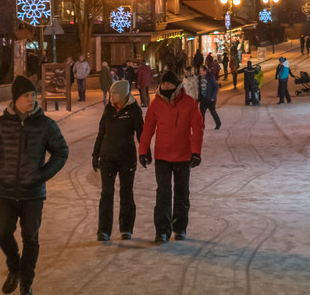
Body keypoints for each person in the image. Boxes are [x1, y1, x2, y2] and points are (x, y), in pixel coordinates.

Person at [0, 75, 70, 295]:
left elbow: (61, 151)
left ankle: (26, 285)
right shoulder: (0, 124)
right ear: (16, 98)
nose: (31, 99)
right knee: (2, 232)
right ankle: (14, 266)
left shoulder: (45, 124)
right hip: (6, 191)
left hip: (32, 193)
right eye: (26, 95)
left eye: (33, 95)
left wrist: (41, 176)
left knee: (31, 238)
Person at [138, 71, 204, 242]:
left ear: (177, 85)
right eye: (163, 83)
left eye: (169, 83)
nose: (166, 86)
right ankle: (162, 230)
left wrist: (196, 152)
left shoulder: (189, 103)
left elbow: (197, 128)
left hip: (183, 156)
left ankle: (180, 227)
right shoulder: (156, 104)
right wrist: (143, 150)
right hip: (162, 156)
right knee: (163, 194)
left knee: (182, 194)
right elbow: (148, 129)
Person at [92, 79, 144, 242]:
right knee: (106, 194)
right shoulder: (108, 109)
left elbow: (141, 135)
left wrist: (144, 153)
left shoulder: (134, 110)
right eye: (111, 93)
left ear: (122, 95)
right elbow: (101, 132)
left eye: (114, 93)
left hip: (126, 157)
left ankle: (126, 228)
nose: (111, 96)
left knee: (126, 193)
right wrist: (95, 154)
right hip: (107, 157)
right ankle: (104, 230)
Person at [199, 64, 221, 130]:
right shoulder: (200, 78)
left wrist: (213, 97)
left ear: (205, 71)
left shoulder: (210, 77)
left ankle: (218, 123)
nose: (200, 72)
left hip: (210, 99)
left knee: (213, 112)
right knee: (201, 113)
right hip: (203, 98)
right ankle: (202, 126)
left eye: (201, 70)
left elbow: (215, 87)